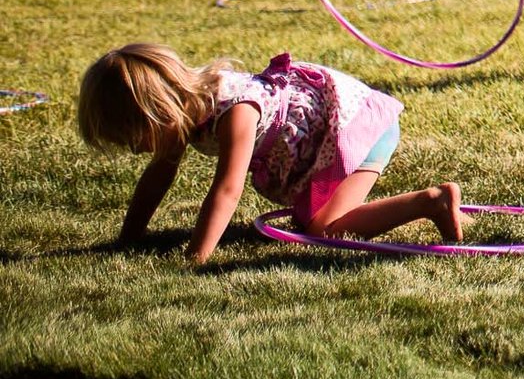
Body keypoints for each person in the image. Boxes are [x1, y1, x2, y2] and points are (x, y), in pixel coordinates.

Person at [77, 43, 460, 263]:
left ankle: (431, 202)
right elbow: (158, 176)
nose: (132, 149)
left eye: (133, 137)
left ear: (157, 112)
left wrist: (195, 257)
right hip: (328, 137)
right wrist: (128, 238)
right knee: (313, 216)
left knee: (323, 227)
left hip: (358, 129)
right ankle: (436, 208)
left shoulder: (235, 111)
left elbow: (227, 191)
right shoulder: (183, 113)